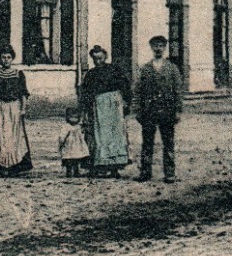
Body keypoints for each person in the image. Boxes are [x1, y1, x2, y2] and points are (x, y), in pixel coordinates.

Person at [133, 35, 185, 182]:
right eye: (155, 46)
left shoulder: (172, 68)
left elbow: (178, 91)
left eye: (161, 46)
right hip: (149, 110)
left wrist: (178, 110)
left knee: (168, 142)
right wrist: (138, 109)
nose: (158, 49)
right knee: (147, 143)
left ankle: (169, 173)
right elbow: (138, 91)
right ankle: (145, 172)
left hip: (167, 110)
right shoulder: (145, 69)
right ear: (151, 48)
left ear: (165, 48)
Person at [0, 46, 33, 177]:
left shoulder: (19, 74)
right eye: (3, 57)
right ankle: (1, 165)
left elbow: (23, 94)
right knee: (0, 136)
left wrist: (23, 109)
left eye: (8, 57)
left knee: (14, 137)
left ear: (12, 58)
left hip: (14, 107)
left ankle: (14, 165)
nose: (6, 60)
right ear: (0, 58)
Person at [79, 45, 131, 178]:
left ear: (105, 56)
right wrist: (85, 108)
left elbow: (125, 86)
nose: (98, 61)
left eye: (100, 58)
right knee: (98, 136)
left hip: (114, 105)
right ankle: (97, 166)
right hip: (98, 107)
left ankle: (114, 167)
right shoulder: (91, 74)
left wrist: (126, 101)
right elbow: (85, 93)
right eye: (95, 59)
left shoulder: (115, 70)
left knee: (115, 135)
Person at [57, 108, 91, 177]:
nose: (74, 119)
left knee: (77, 160)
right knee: (69, 161)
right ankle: (68, 172)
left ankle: (76, 172)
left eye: (76, 117)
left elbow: (83, 133)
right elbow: (62, 135)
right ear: (67, 117)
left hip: (78, 146)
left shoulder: (78, 126)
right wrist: (61, 142)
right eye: (71, 117)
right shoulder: (66, 127)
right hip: (69, 146)